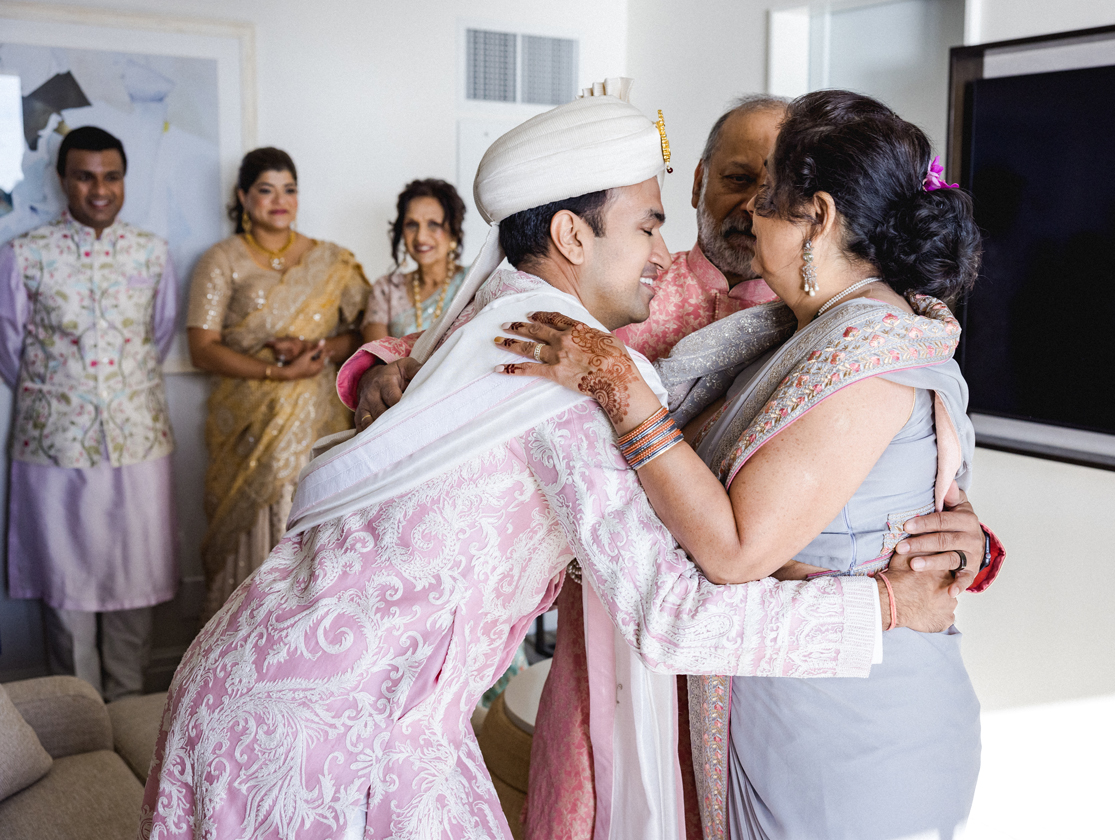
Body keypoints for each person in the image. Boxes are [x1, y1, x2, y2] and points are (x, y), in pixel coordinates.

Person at [140, 80, 960, 840]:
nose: (672, 246)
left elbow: (898, 445)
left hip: (327, 686)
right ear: (576, 232)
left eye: (769, 192)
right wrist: (886, 606)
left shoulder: (812, 324)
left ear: (819, 219)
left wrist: (956, 530)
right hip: (362, 708)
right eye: (651, 223)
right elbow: (674, 598)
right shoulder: (573, 355)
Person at [497, 89, 987, 839]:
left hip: (839, 738)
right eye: (739, 180)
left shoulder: (869, 345)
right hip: (685, 687)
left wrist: (622, 387)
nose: (753, 207)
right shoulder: (797, 327)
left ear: (817, 217)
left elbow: (736, 546)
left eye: (770, 190)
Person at [0, 126, 178, 701]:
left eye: (111, 176)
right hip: (54, 440)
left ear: (124, 180)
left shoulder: (152, 253)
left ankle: (128, 711)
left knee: (136, 578)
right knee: (66, 586)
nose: (99, 190)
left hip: (138, 437)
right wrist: (67, 394)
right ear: (62, 179)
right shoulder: (25, 254)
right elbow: (9, 347)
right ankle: (80, 720)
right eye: (84, 176)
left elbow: (159, 334)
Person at [186, 147, 371, 620]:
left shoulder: (329, 259)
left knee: (314, 511)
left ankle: (306, 630)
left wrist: (319, 348)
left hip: (317, 417)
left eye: (289, 190)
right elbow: (201, 348)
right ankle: (244, 629)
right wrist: (276, 372)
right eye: (266, 190)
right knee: (253, 515)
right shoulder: (222, 259)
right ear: (243, 197)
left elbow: (364, 332)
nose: (279, 201)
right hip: (250, 422)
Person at [362, 179, 468, 342]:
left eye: (433, 224)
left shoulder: (476, 283)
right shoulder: (387, 290)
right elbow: (376, 355)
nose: (421, 237)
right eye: (412, 225)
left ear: (453, 232)